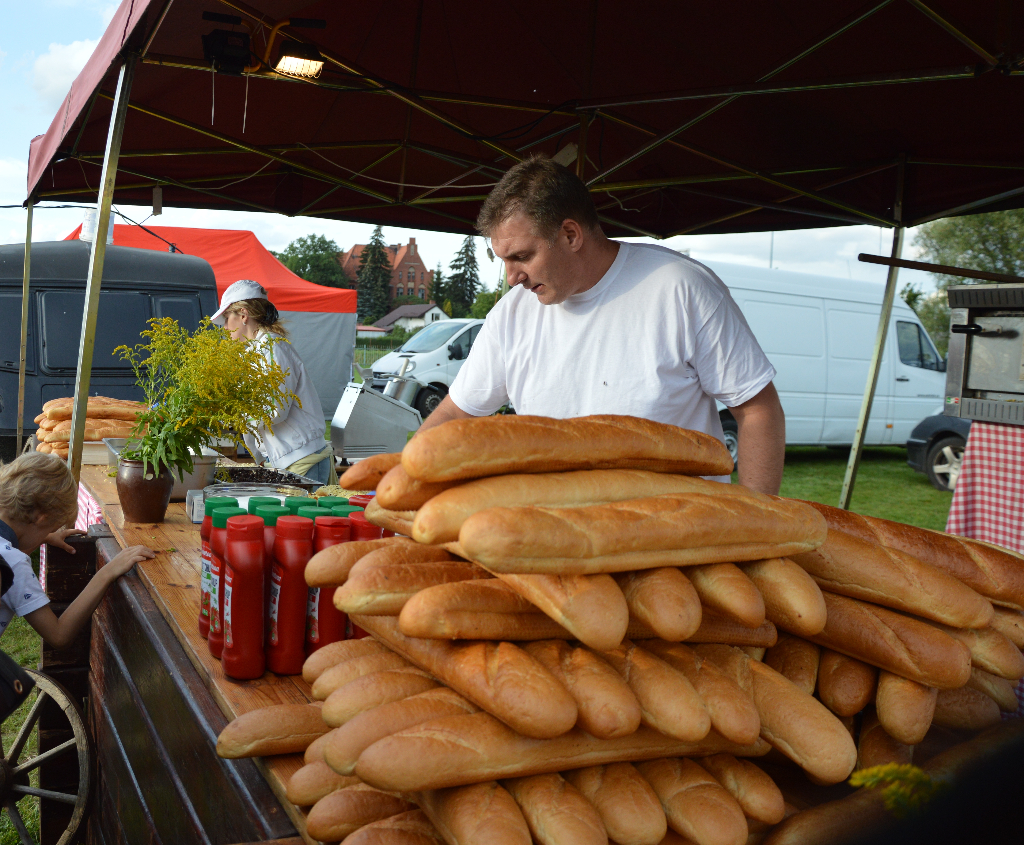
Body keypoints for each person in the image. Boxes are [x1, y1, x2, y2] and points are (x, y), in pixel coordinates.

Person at [420, 156, 786, 495]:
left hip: (674, 535)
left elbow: (757, 409)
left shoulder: (679, 288)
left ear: (570, 235)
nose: (512, 277)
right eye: (502, 259)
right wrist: (403, 476)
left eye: (522, 256)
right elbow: (455, 412)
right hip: (558, 533)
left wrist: (758, 524)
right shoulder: (511, 315)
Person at [0, 452, 154, 649]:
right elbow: (58, 635)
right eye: (49, 528)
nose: (48, 534)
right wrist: (106, 572)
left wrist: (46, 536)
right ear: (41, 518)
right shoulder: (14, 564)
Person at [211, 280, 338, 486]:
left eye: (227, 318)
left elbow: (275, 410)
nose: (225, 327)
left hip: (302, 460)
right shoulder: (257, 351)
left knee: (302, 519)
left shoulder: (272, 348)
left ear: (243, 315)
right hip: (288, 459)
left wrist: (231, 417)